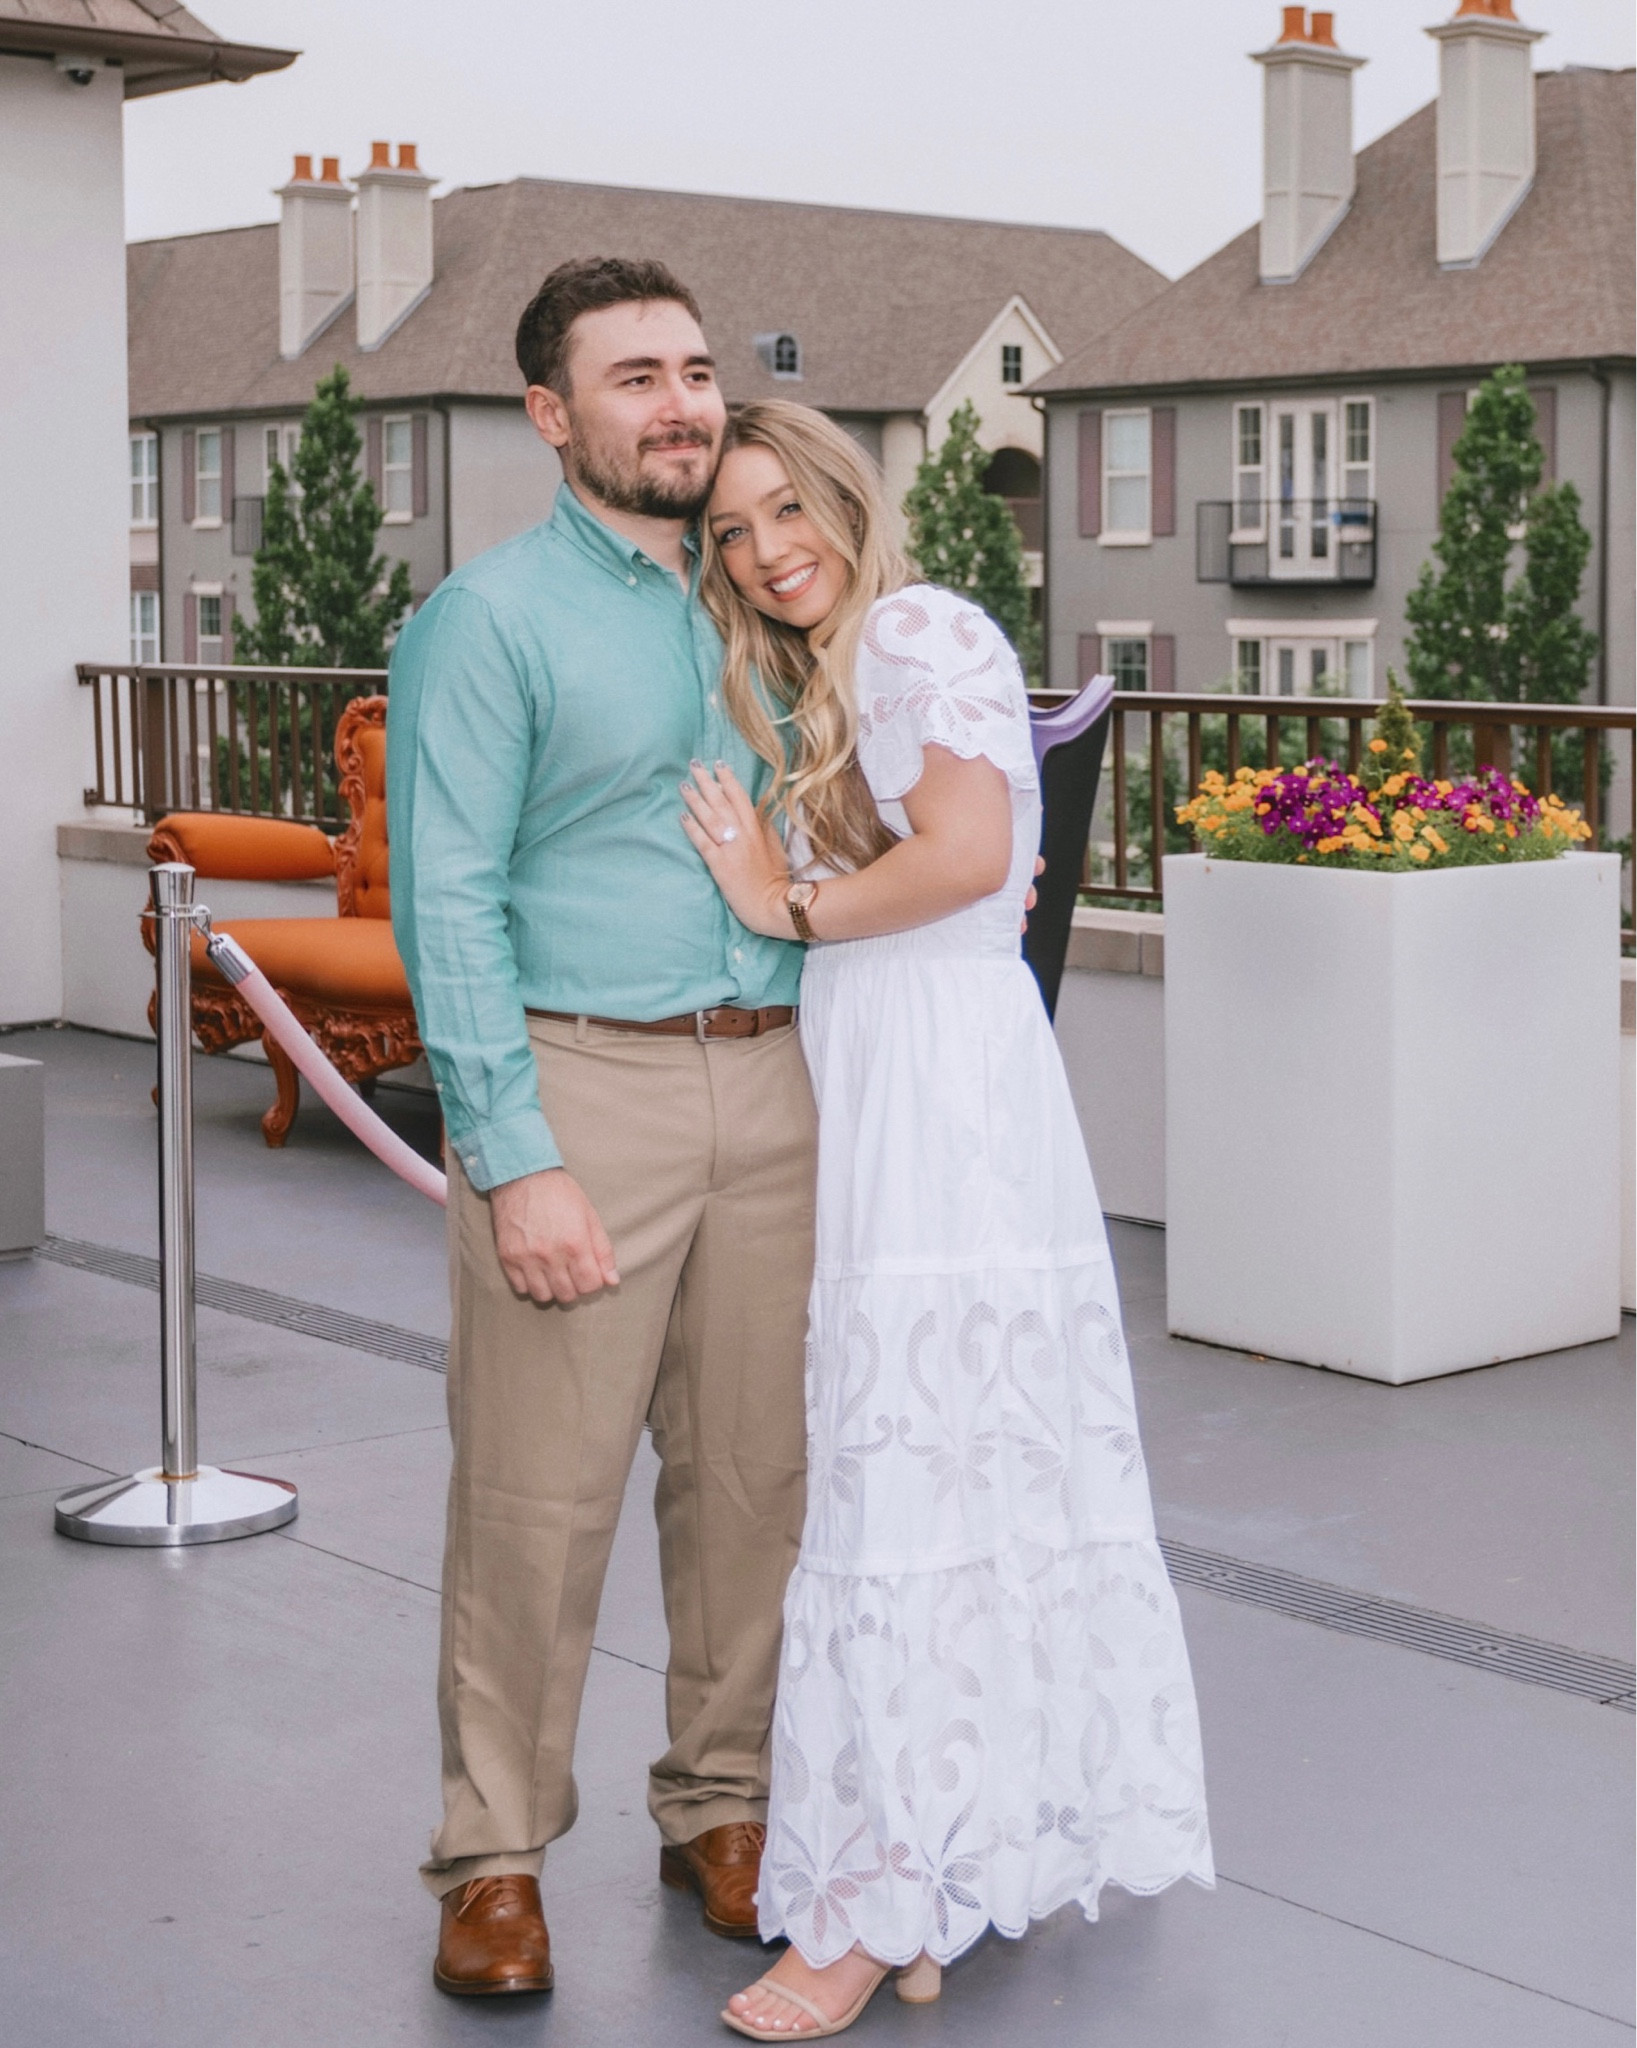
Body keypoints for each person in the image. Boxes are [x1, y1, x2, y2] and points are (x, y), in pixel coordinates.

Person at [678, 402, 1214, 2039]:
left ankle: (867, 1909)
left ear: (845, 497)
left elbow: (972, 849)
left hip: (938, 1094)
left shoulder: (908, 627)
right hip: (924, 1075)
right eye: (731, 531)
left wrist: (786, 902)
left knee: (902, 1477)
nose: (768, 550)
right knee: (951, 1468)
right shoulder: (846, 660)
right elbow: (980, 852)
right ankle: (943, 1865)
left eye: (788, 510)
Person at [387, 261, 819, 1998]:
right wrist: (516, 1153)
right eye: (634, 376)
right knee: (534, 1502)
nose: (681, 403)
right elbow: (447, 899)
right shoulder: (484, 622)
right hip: (586, 1088)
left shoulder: (766, 601)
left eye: (697, 369)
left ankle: (723, 1805)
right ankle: (491, 1856)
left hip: (775, 1083)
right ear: (551, 417)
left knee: (751, 1488)